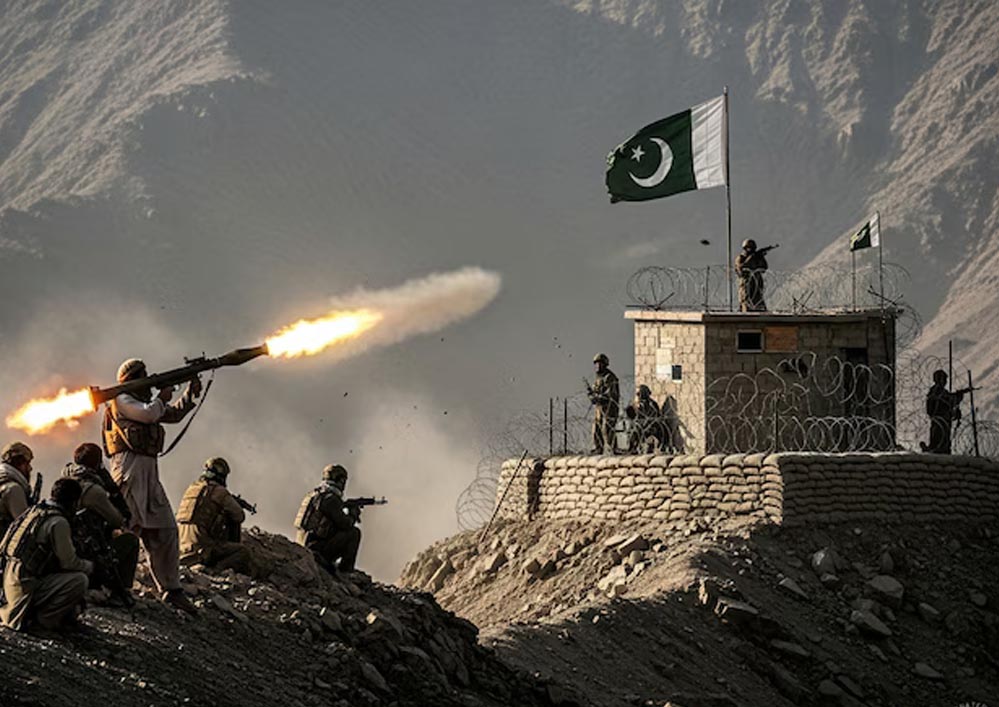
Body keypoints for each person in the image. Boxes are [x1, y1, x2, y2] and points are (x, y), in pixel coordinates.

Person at [102, 357, 201, 613]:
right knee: (128, 528)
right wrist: (162, 396)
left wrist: (189, 393)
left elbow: (172, 415)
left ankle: (171, 588)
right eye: (141, 375)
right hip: (129, 468)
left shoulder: (146, 402)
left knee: (165, 529)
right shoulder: (122, 399)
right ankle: (115, 588)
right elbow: (148, 414)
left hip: (149, 471)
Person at [0, 478, 92, 632]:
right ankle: (44, 622)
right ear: (73, 502)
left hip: (9, 581)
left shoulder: (33, 512)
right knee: (79, 580)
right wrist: (90, 566)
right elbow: (69, 563)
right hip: (24, 587)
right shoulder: (58, 522)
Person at [62, 443, 140, 604]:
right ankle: (119, 591)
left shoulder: (65, 480)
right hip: (87, 551)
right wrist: (111, 487)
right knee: (130, 540)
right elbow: (119, 520)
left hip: (66, 548)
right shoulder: (92, 490)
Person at [177, 457, 253, 575]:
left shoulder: (191, 489)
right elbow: (239, 516)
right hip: (203, 550)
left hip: (181, 550)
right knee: (243, 552)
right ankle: (216, 570)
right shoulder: (220, 492)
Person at [295, 464, 361, 573]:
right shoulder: (331, 499)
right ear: (340, 480)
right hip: (315, 550)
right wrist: (353, 515)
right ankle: (346, 571)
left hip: (302, 544)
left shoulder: (315, 494)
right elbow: (345, 524)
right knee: (354, 533)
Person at [922, 369, 971, 454]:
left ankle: (936, 450)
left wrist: (958, 395)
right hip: (940, 422)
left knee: (943, 442)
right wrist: (958, 395)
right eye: (944, 379)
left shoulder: (938, 391)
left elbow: (949, 401)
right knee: (939, 442)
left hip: (943, 422)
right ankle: (935, 450)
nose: (946, 381)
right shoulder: (937, 390)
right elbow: (949, 400)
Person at [588, 353, 620, 454]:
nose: (597, 366)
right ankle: (598, 447)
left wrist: (598, 397)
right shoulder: (598, 378)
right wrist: (591, 396)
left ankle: (613, 448)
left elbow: (610, 395)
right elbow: (595, 391)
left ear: (604, 364)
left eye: (600, 363)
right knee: (596, 428)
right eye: (596, 363)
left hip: (610, 408)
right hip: (600, 408)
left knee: (607, 428)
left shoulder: (609, 377)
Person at [0, 442, 33, 539]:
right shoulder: (13, 489)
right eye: (27, 463)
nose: (30, 468)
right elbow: (24, 527)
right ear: (19, 463)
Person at [734, 239, 769, 312]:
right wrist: (751, 258)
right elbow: (741, 269)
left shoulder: (756, 258)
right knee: (747, 308)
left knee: (760, 308)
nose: (751, 250)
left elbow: (764, 268)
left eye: (752, 248)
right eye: (749, 248)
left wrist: (761, 257)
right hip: (746, 286)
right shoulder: (741, 258)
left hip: (757, 286)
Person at [628, 385, 663, 453]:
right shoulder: (637, 405)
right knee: (634, 431)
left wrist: (648, 424)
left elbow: (656, 416)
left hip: (651, 426)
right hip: (641, 426)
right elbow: (633, 417)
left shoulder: (652, 404)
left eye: (639, 394)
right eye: (637, 394)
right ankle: (633, 449)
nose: (638, 396)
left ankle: (654, 447)